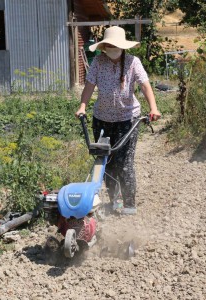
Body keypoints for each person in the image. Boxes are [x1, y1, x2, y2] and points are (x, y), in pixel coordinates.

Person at [75, 26, 161, 215]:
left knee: (125, 163)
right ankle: (115, 201)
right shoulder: (98, 61)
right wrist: (82, 106)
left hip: (127, 120)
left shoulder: (133, 62)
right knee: (106, 162)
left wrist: (153, 108)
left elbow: (145, 86)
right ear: (104, 46)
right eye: (110, 45)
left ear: (122, 46)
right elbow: (89, 86)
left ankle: (129, 205)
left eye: (116, 45)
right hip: (101, 119)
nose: (113, 48)